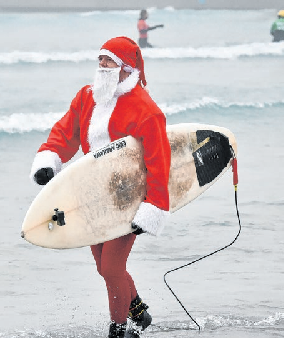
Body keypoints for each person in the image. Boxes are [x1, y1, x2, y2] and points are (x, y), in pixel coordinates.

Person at [29, 36, 171, 338]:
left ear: (124, 68)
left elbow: (160, 162)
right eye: (100, 59)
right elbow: (66, 131)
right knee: (103, 266)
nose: (101, 64)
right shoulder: (87, 97)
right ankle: (139, 312)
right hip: (92, 197)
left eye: (108, 60)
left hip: (129, 199)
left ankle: (119, 329)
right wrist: (49, 160)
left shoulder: (147, 111)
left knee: (111, 268)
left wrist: (154, 206)